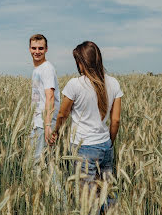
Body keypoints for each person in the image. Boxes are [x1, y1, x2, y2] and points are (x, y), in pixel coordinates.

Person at [50, 41, 123, 210]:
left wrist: (56, 132)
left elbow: (62, 114)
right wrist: (109, 142)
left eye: (77, 61)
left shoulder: (75, 84)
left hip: (83, 150)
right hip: (105, 146)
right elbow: (116, 120)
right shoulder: (114, 83)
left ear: (81, 62)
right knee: (109, 194)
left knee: (88, 202)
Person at [29, 34, 60, 164]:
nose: (37, 52)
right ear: (29, 49)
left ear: (46, 49)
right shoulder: (38, 69)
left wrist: (47, 126)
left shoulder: (46, 68)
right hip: (38, 122)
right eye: (34, 48)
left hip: (43, 124)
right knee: (48, 164)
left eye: (40, 48)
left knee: (37, 164)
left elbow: (50, 96)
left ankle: (45, 185)